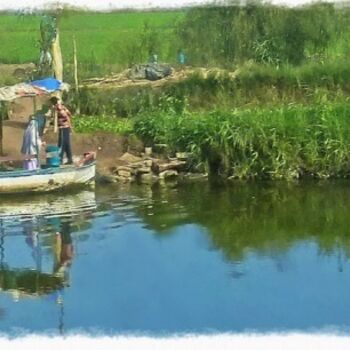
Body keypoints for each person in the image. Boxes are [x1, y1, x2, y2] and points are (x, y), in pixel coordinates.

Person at [49, 96, 73, 165]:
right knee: (66, 144)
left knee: (61, 144)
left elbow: (65, 115)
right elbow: (69, 114)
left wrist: (61, 120)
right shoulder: (62, 106)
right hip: (66, 127)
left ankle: (60, 159)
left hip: (63, 127)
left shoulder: (58, 108)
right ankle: (69, 159)